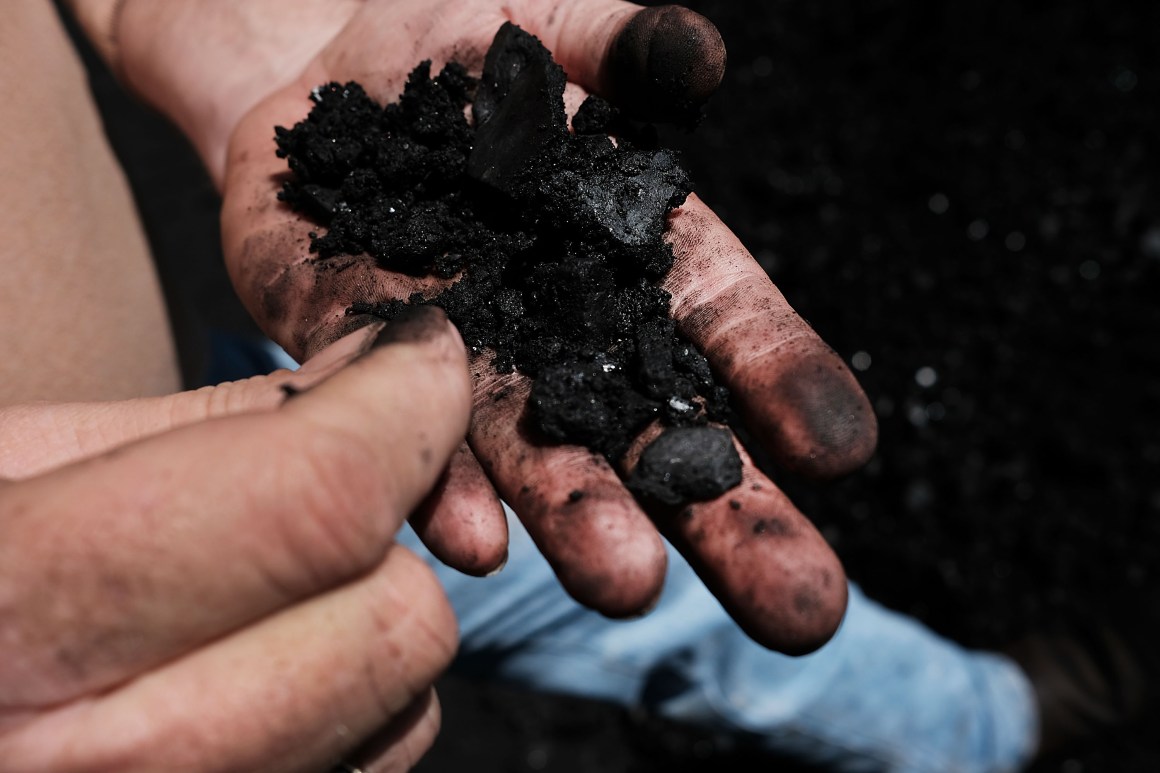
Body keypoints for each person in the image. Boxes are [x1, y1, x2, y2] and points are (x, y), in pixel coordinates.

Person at [0, 1, 1150, 771]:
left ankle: (974, 721)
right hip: (69, 624)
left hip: (249, 400)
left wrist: (235, 26)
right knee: (595, 555)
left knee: (671, 562)